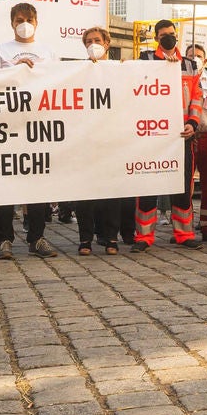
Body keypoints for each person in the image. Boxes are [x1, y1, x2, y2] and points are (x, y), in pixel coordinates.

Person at [0, 2, 59, 259]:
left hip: (37, 125)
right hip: (7, 126)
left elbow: (57, 84)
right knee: (6, 183)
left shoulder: (48, 51)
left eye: (28, 19)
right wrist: (17, 71)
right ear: (11, 23)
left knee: (36, 184)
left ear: (36, 22)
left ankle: (36, 237)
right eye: (18, 19)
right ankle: (4, 239)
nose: (23, 23)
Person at [134, 18, 207, 250]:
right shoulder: (145, 60)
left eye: (172, 33)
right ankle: (143, 237)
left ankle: (184, 234)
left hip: (181, 134)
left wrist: (193, 123)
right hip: (151, 135)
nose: (169, 37)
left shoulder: (189, 64)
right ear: (156, 37)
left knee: (183, 186)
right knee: (147, 186)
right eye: (164, 34)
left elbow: (196, 97)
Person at [67, 26, 133, 254]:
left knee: (111, 192)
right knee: (85, 192)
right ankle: (85, 239)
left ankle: (110, 238)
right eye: (88, 41)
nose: (92, 44)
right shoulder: (77, 71)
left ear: (107, 43)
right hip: (86, 140)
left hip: (112, 140)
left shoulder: (120, 69)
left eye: (96, 40)